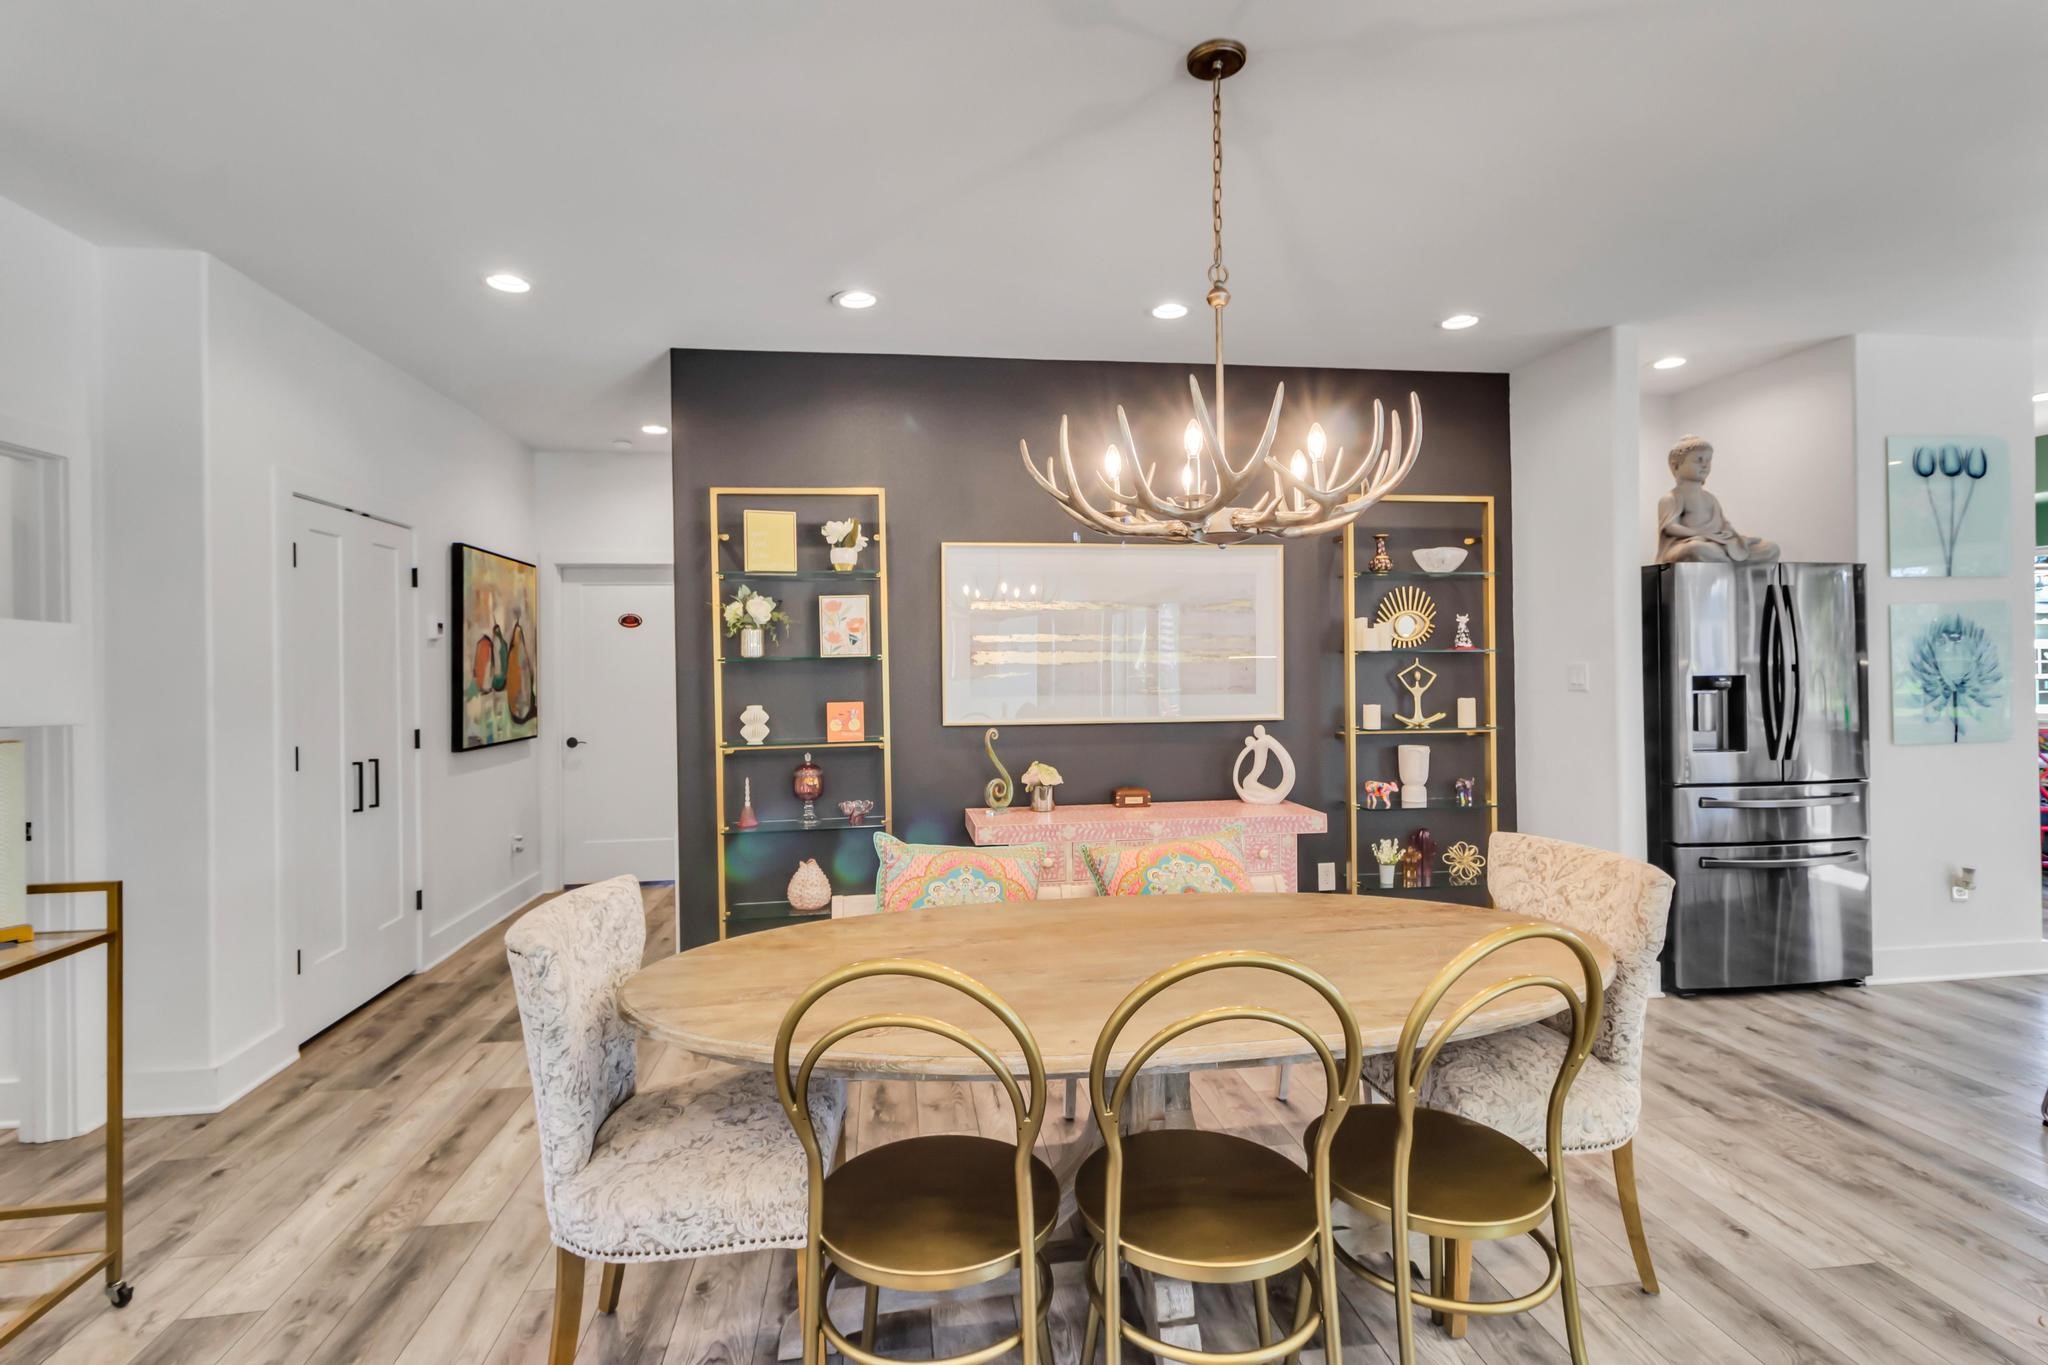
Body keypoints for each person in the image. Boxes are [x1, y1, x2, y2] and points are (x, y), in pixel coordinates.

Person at [1655, 435, 1779, 563]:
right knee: (1696, 549)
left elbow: (1723, 524)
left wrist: (1734, 536)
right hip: (1692, 543)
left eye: (1708, 460)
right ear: (1676, 466)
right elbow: (1670, 527)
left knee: (1770, 548)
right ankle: (1730, 565)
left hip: (1718, 544)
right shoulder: (1671, 498)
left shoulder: (1710, 498)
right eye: (1698, 460)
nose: (1704, 465)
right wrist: (1701, 534)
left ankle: (1727, 562)